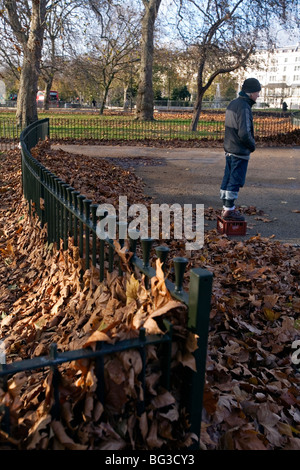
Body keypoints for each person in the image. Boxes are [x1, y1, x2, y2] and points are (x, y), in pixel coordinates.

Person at [220, 77, 261, 221]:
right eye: (257, 92)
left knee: (228, 178)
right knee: (235, 180)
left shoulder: (233, 103)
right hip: (239, 150)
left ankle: (226, 207)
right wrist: (252, 146)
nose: (258, 95)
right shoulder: (244, 107)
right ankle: (230, 210)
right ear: (250, 93)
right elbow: (244, 133)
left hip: (230, 148)